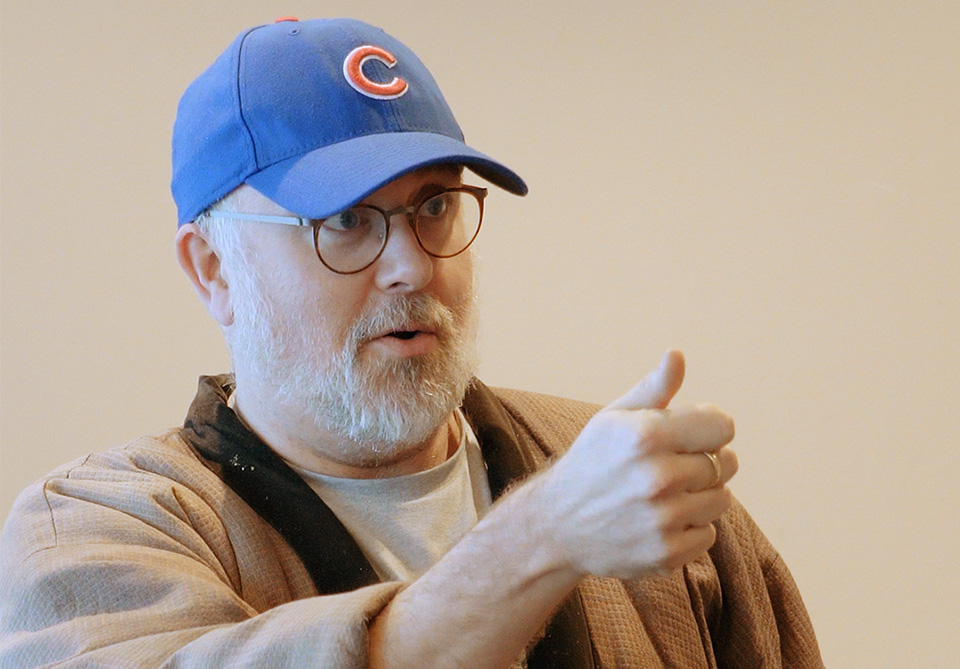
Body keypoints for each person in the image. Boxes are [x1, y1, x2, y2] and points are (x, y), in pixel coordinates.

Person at [0, 17, 823, 668]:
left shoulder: (636, 492)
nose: (412, 265)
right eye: (345, 220)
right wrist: (543, 539)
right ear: (214, 268)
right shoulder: (98, 529)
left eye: (435, 206)